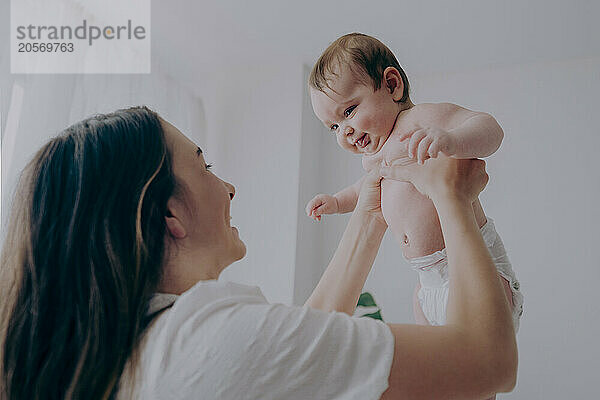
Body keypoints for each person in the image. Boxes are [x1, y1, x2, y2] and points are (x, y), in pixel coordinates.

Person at [0, 106, 517, 400]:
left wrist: (369, 213)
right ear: (169, 216)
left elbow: (298, 344)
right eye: (203, 167)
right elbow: (487, 361)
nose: (227, 187)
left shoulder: (139, 349)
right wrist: (454, 197)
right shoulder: (205, 340)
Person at [306, 33, 523, 332]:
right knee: (438, 356)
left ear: (392, 85)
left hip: (470, 262)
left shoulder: (421, 120)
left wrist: (452, 140)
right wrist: (336, 201)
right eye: (334, 126)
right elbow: (365, 190)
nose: (344, 131)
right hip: (427, 281)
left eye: (348, 111)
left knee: (484, 344)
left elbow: (490, 128)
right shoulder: (373, 160)